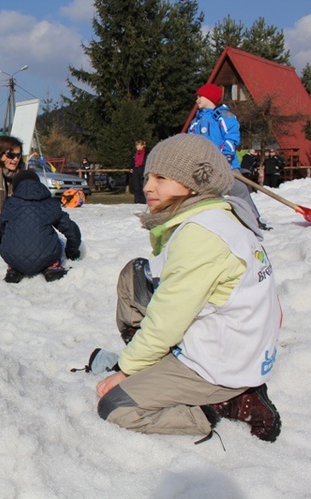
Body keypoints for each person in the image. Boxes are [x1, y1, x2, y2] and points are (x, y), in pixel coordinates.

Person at [95, 134, 282, 443]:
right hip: (233, 343)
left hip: (219, 366)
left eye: (162, 178)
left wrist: (127, 371)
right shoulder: (215, 216)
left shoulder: (202, 235)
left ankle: (214, 406)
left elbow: (168, 319)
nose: (148, 186)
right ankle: (154, 363)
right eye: (149, 175)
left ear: (194, 184)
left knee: (116, 406)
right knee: (135, 275)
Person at [187, 83, 269, 230]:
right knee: (205, 194)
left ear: (210, 97)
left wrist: (225, 155)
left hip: (227, 164)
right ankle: (206, 221)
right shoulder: (196, 122)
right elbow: (192, 141)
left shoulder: (223, 116)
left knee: (239, 191)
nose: (197, 100)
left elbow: (231, 137)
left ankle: (253, 219)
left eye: (200, 96)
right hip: (205, 166)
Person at [0, 170, 82, 283]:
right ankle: (51, 269)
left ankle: (14, 270)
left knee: (15, 242)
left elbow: (3, 229)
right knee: (58, 241)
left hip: (13, 256)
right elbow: (71, 229)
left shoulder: (9, 204)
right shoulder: (49, 203)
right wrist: (72, 250)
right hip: (46, 256)